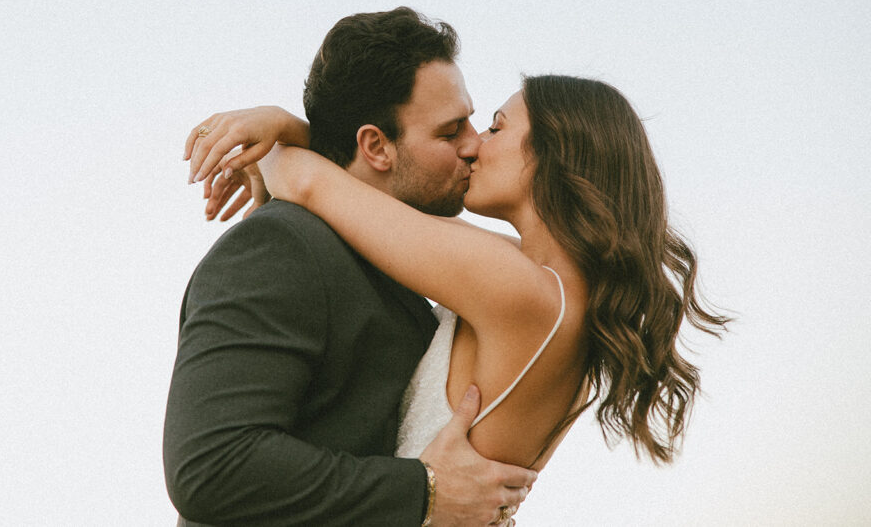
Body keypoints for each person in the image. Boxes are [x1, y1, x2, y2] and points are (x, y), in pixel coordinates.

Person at [190, 74, 730, 517]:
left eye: (496, 128)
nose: (474, 146)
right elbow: (373, 205)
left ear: (553, 154)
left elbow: (313, 186)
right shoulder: (551, 287)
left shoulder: (517, 288)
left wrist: (272, 135)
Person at [164, 7, 537, 527]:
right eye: (451, 131)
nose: (474, 144)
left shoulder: (403, 270)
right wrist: (423, 492)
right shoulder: (280, 246)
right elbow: (211, 465)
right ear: (375, 146)